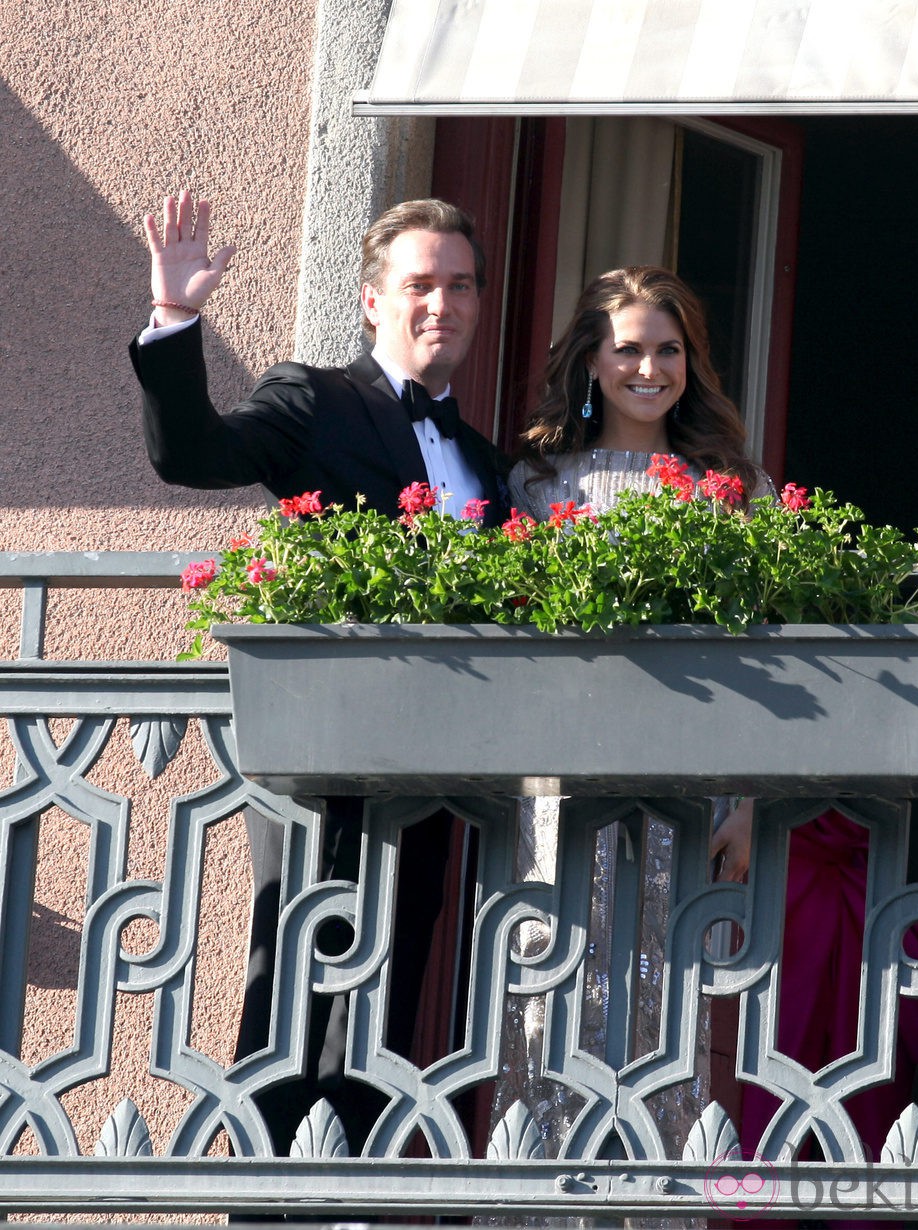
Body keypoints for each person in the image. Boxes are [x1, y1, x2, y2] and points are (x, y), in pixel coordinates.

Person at [130, 190, 511, 1155]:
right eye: (421, 283)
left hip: (435, 771)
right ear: (373, 300)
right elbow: (195, 456)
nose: (444, 304)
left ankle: (355, 1206)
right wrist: (176, 321)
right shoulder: (315, 399)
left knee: (388, 1013)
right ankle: (266, 1209)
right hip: (323, 759)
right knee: (294, 995)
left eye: (461, 285)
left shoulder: (486, 462)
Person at [501, 268, 759, 1195]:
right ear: (592, 362)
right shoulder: (535, 485)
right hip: (556, 792)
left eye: (667, 349)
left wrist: (748, 804)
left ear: (691, 363)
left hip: (685, 799)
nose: (648, 368)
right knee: (543, 1007)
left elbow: (757, 665)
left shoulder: (726, 488)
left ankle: (658, 1211)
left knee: (668, 1017)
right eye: (628, 350)